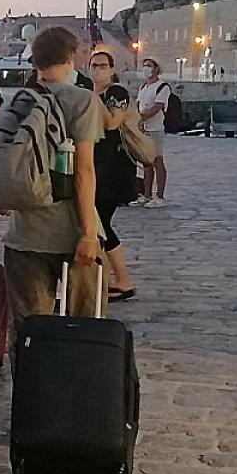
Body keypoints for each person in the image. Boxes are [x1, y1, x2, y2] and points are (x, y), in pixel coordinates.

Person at [0, 27, 104, 370]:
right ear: (70, 57)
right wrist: (89, 234)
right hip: (70, 232)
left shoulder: (18, 100)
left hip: (24, 234)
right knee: (84, 324)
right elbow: (84, 171)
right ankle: (77, 391)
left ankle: (31, 394)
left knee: (29, 329)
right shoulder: (81, 100)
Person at [89, 51, 138, 302]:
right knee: (97, 225)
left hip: (113, 168)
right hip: (97, 165)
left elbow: (112, 123)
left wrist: (94, 98)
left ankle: (123, 280)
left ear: (111, 69)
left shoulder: (116, 93)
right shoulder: (93, 94)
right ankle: (106, 279)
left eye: (102, 66)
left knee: (101, 223)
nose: (97, 70)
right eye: (93, 65)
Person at [135, 58, 170, 208]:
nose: (146, 68)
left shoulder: (162, 87)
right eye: (144, 66)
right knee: (146, 162)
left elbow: (157, 107)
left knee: (157, 160)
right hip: (143, 129)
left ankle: (160, 196)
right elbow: (138, 104)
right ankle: (146, 194)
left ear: (156, 68)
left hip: (155, 129)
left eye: (149, 66)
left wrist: (142, 118)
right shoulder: (143, 87)